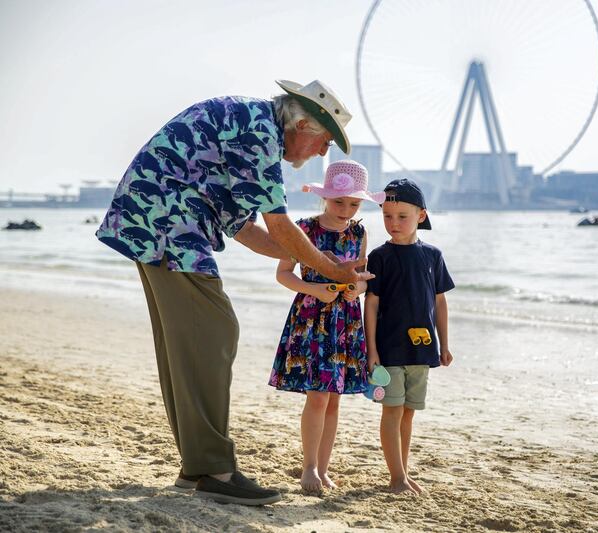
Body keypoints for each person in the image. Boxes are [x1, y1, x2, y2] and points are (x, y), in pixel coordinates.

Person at [96, 79, 372, 506]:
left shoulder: (250, 124)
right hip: (168, 219)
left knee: (188, 344)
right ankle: (214, 469)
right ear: (302, 124)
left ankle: (197, 467)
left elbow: (247, 230)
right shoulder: (260, 132)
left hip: (154, 218)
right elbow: (279, 226)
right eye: (324, 141)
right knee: (214, 333)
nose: (322, 153)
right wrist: (331, 268)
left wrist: (320, 264)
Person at [269, 160, 385, 492]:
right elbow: (283, 273)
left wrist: (357, 289)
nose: (346, 209)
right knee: (318, 397)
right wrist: (314, 289)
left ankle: (322, 468)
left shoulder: (359, 232)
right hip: (311, 319)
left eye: (353, 203)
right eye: (339, 202)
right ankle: (308, 468)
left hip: (345, 322)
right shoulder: (304, 230)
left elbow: (362, 277)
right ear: (325, 198)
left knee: (333, 398)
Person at [363, 178, 455, 495]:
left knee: (408, 412)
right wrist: (371, 349)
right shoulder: (380, 257)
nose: (393, 223)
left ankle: (402, 472)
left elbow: (440, 303)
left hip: (422, 350)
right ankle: (396, 477)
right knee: (392, 410)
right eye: (387, 216)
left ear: (420, 215)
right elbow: (371, 305)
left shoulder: (433, 256)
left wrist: (444, 344)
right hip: (388, 350)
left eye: (402, 216)